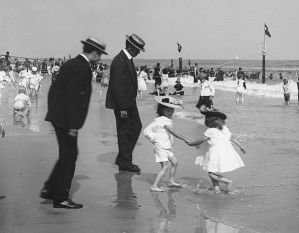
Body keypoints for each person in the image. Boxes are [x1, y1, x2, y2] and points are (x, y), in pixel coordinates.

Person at [40, 37, 108, 209]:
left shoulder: (71, 64)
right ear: (93, 52)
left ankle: (50, 189)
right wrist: (72, 125)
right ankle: (61, 197)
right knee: (69, 156)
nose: (100, 58)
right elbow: (73, 98)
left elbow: (54, 90)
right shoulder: (82, 68)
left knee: (66, 154)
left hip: (59, 117)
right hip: (67, 121)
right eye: (99, 54)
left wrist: (54, 114)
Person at [105, 33, 146, 173]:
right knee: (124, 131)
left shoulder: (126, 59)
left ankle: (123, 157)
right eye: (137, 49)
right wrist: (122, 108)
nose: (139, 52)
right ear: (130, 47)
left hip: (129, 101)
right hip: (123, 103)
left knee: (136, 127)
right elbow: (117, 86)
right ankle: (125, 162)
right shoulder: (119, 61)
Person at [187, 109, 245, 194]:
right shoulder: (224, 129)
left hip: (214, 154)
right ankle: (216, 189)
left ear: (209, 121)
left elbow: (201, 140)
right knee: (212, 172)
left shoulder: (210, 131)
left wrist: (191, 143)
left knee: (211, 173)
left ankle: (227, 182)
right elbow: (232, 137)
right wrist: (240, 146)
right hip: (223, 153)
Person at [143, 96, 190, 192]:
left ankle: (171, 181)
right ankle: (154, 186)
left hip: (165, 147)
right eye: (167, 109)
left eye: (171, 109)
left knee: (175, 162)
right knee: (165, 167)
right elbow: (172, 131)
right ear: (161, 110)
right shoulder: (164, 120)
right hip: (161, 147)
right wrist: (184, 139)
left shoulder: (162, 119)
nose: (170, 111)